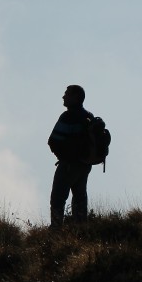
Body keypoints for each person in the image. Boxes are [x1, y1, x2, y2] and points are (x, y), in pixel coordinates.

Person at [48, 84, 94, 228]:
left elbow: (53, 141)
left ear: (75, 97)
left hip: (68, 165)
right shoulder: (88, 116)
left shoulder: (68, 116)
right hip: (85, 165)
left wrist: (63, 158)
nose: (63, 96)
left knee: (58, 199)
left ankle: (56, 232)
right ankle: (80, 230)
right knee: (80, 199)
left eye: (67, 94)